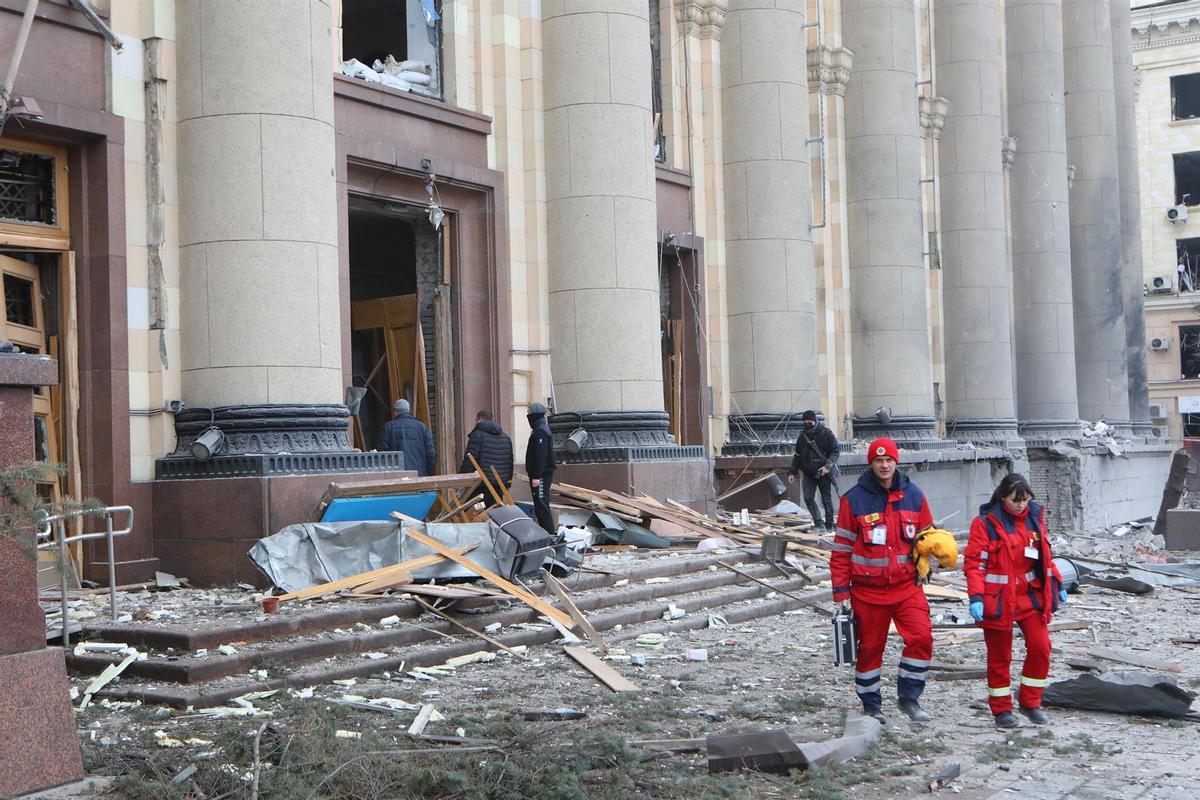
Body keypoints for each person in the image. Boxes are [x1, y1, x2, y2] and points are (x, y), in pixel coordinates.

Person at [832, 437, 935, 724]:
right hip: (868, 592)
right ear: (871, 464)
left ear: (896, 461)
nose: (884, 465)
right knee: (870, 648)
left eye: (888, 459)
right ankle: (871, 704)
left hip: (907, 588)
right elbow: (841, 549)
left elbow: (929, 538)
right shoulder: (853, 500)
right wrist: (840, 592)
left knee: (921, 637)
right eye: (879, 460)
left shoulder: (914, 495)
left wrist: (937, 556)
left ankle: (909, 698)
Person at [963, 473, 1067, 729]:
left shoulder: (1034, 518)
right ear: (1002, 497)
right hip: (998, 600)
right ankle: (1001, 710)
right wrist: (976, 597)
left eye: (1025, 499)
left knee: (1041, 647)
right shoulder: (985, 523)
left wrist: (1058, 583)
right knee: (1000, 656)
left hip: (1029, 597)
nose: (1021, 505)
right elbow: (975, 564)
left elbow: (1044, 557)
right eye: (1015, 500)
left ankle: (1031, 702)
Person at [787, 410, 839, 531]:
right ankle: (819, 523)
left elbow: (835, 451)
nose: (807, 424)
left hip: (823, 473)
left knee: (826, 500)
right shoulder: (802, 437)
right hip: (809, 473)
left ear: (815, 421)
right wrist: (792, 472)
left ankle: (829, 525)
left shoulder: (827, 434)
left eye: (809, 422)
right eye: (804, 422)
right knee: (808, 497)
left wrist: (827, 466)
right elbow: (797, 456)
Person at [460, 409, 514, 493]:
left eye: (476, 420)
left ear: (480, 419)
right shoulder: (506, 437)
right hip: (501, 484)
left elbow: (470, 460)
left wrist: (462, 478)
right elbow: (510, 462)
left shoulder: (477, 435)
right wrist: (508, 483)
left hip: (482, 484)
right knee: (497, 506)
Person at [378, 398, 435, 477]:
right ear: (408, 411)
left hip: (397, 477)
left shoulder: (388, 427)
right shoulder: (422, 427)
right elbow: (430, 454)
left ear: (396, 412)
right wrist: (430, 474)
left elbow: (382, 455)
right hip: (419, 475)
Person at [525, 401, 556, 534]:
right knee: (541, 506)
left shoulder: (540, 432)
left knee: (542, 506)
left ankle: (550, 536)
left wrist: (537, 475)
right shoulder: (542, 429)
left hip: (541, 476)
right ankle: (548, 535)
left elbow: (540, 455)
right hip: (542, 474)